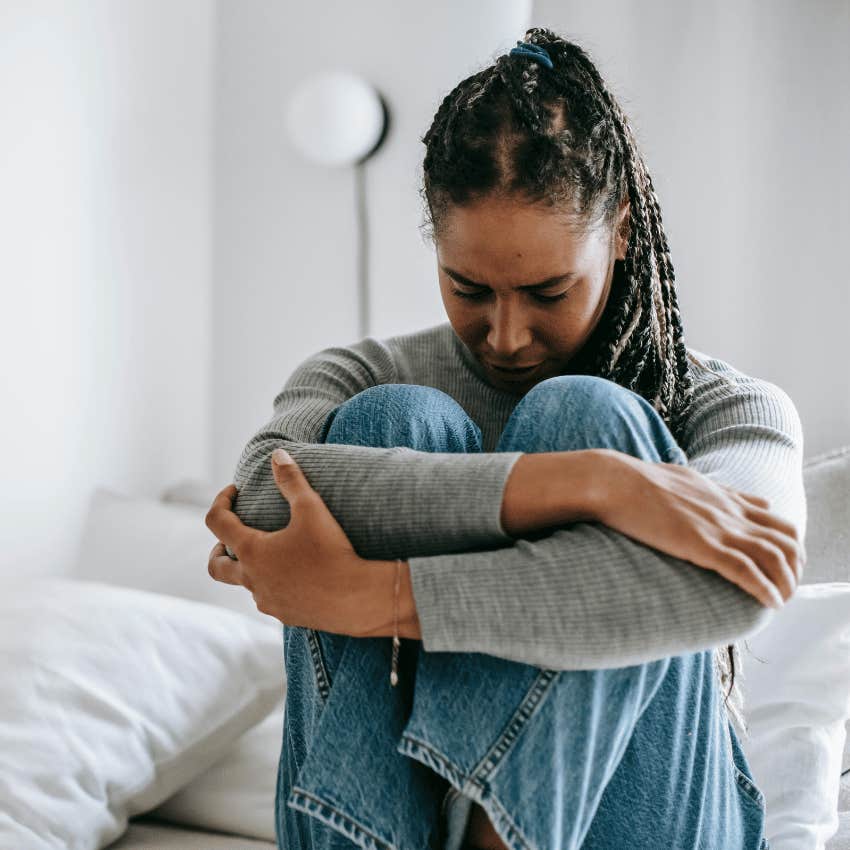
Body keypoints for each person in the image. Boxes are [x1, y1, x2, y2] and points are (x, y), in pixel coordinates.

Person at [205, 27, 806, 850]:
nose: (508, 335)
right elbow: (261, 504)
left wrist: (376, 596)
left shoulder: (723, 406)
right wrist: (594, 485)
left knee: (591, 413)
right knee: (393, 423)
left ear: (621, 233)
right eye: (469, 288)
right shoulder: (356, 373)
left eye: (549, 290)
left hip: (642, 819)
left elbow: (743, 585)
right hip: (391, 819)